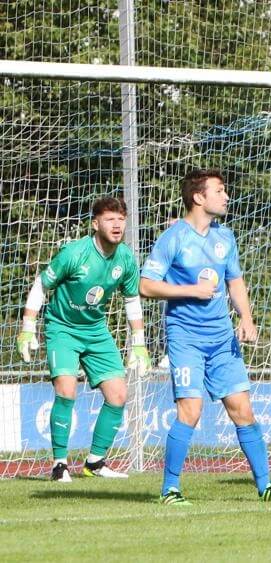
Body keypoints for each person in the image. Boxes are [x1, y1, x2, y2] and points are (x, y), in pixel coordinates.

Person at [141, 169, 271, 505]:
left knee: (243, 410)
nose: (226, 197)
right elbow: (146, 285)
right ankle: (170, 490)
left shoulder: (225, 237)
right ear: (199, 197)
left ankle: (266, 487)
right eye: (220, 191)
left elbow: (234, 281)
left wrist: (247, 317)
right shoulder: (173, 238)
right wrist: (190, 290)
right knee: (190, 411)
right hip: (186, 339)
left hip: (223, 340)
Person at [16, 197, 149, 482]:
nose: (116, 224)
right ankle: (59, 465)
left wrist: (138, 341)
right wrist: (27, 326)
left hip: (96, 330)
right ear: (95, 223)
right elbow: (42, 284)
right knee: (66, 390)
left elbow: (132, 298)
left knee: (118, 395)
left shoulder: (125, 258)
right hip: (62, 328)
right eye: (110, 219)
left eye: (121, 219)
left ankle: (95, 463)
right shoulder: (74, 253)